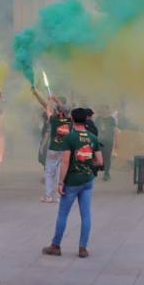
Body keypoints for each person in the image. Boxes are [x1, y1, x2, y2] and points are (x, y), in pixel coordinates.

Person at [41, 107, 103, 258]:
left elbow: (65, 162)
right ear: (86, 119)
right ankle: (83, 248)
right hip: (87, 181)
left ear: (73, 120)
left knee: (63, 214)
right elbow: (100, 161)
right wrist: (88, 164)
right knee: (86, 215)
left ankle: (56, 246)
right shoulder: (92, 137)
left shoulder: (70, 137)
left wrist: (60, 182)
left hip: (72, 182)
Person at [32, 86, 70, 203]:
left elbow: (47, 108)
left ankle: (48, 196)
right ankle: (59, 196)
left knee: (49, 172)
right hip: (64, 149)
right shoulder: (70, 120)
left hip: (53, 148)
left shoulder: (53, 119)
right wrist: (55, 99)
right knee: (59, 172)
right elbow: (64, 110)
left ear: (58, 110)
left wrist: (50, 100)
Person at [94, 105, 117, 181]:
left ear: (108, 110)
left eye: (105, 109)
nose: (103, 110)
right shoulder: (98, 119)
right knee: (99, 156)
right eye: (102, 109)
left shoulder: (111, 119)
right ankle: (97, 170)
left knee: (107, 157)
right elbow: (94, 130)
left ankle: (106, 174)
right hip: (99, 141)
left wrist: (116, 141)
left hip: (109, 141)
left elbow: (115, 130)